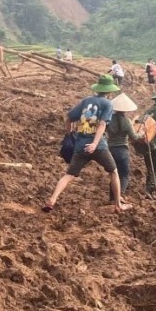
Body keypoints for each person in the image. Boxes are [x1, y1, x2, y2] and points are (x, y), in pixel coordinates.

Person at [44, 74, 130, 214]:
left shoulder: (86, 101)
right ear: (109, 91)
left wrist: (69, 134)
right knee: (113, 172)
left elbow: (69, 118)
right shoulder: (108, 104)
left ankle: (52, 200)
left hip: (80, 145)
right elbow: (102, 124)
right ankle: (118, 205)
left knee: (69, 175)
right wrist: (95, 144)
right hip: (99, 146)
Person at [107, 92, 138, 199]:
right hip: (122, 151)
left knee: (114, 174)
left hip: (110, 150)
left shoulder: (109, 119)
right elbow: (134, 137)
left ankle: (112, 197)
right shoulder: (127, 121)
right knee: (124, 175)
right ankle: (119, 196)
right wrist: (142, 134)